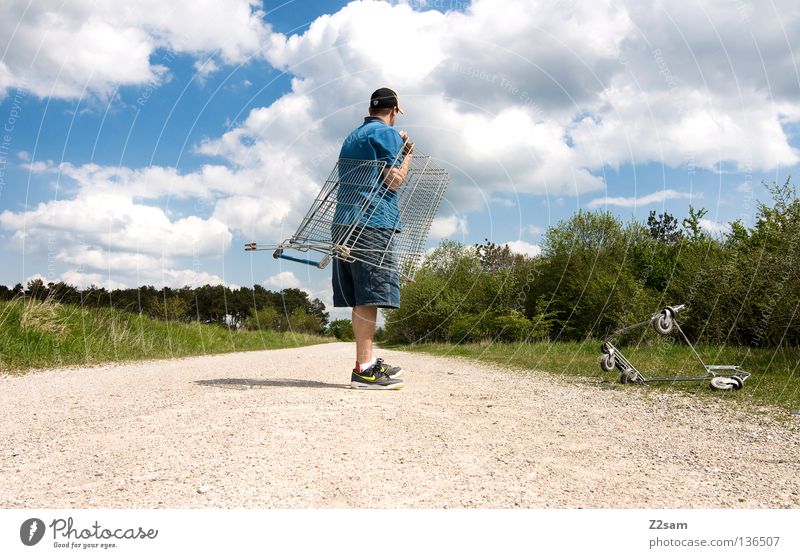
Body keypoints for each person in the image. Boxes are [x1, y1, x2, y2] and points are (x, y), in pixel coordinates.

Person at [332, 87, 414, 390]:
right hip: (372, 222)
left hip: (343, 221)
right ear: (393, 112)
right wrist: (406, 155)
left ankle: (365, 361)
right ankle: (364, 370)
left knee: (359, 296)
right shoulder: (388, 134)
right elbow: (393, 181)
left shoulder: (353, 136)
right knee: (370, 296)